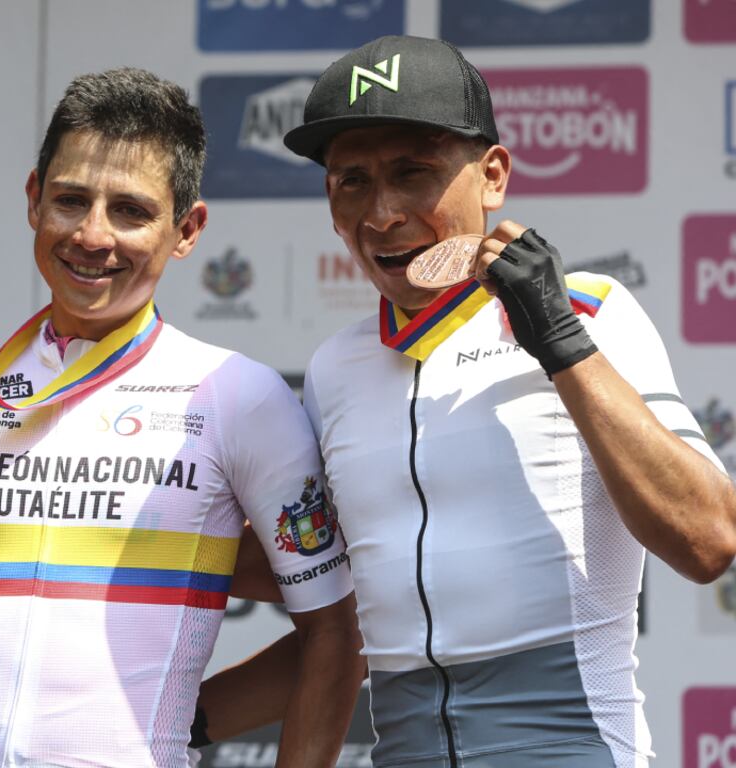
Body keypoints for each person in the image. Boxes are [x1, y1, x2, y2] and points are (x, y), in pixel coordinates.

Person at [0, 67, 364, 767]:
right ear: (32, 199)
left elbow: (339, 634)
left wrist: (178, 724)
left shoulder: (237, 395)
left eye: (131, 211)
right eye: (71, 200)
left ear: (187, 229)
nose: (91, 234)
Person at [262, 33, 736, 767]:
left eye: (412, 172)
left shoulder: (591, 310)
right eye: (351, 180)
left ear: (493, 175)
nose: (381, 212)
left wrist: (555, 336)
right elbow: (331, 617)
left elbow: (708, 540)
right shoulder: (333, 368)